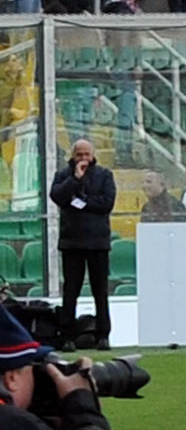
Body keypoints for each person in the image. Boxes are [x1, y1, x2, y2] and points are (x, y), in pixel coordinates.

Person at [42, 143, 113, 347]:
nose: (83, 158)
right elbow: (57, 196)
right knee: (71, 291)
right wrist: (75, 179)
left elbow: (107, 203)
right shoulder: (63, 175)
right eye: (79, 154)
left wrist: (83, 202)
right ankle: (67, 337)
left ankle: (103, 335)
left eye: (86, 154)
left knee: (100, 291)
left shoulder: (104, 175)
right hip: (72, 242)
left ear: (93, 155)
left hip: (98, 242)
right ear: (73, 155)